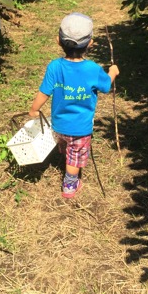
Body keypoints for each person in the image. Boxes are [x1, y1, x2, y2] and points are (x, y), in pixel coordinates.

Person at [28, 13, 120, 198]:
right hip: (80, 128)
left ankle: (66, 153)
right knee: (75, 156)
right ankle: (70, 186)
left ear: (58, 41)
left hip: (58, 124)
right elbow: (105, 86)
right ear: (90, 43)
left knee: (64, 143)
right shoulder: (93, 69)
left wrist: (34, 109)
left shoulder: (54, 66)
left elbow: (44, 92)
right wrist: (112, 73)